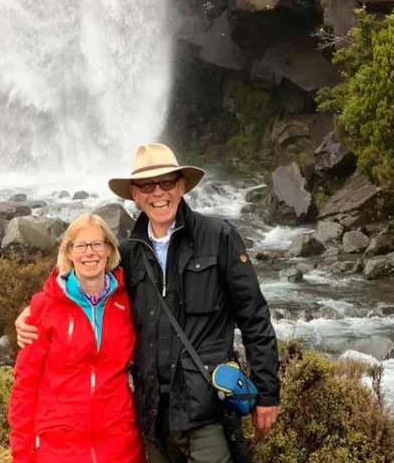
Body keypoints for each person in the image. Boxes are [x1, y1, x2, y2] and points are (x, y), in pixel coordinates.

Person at [16, 143, 280, 463]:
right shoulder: (129, 253)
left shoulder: (218, 237)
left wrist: (267, 392)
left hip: (205, 408)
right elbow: (80, 275)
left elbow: (254, 317)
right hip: (153, 414)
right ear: (135, 195)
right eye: (146, 186)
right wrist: (35, 310)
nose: (158, 193)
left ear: (181, 186)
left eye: (167, 182)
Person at [8, 213, 144, 463]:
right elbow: (25, 387)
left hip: (120, 445)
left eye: (97, 244)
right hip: (59, 448)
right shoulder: (45, 307)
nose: (89, 253)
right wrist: (22, 454)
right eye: (80, 245)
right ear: (69, 252)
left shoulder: (129, 301)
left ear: (109, 249)